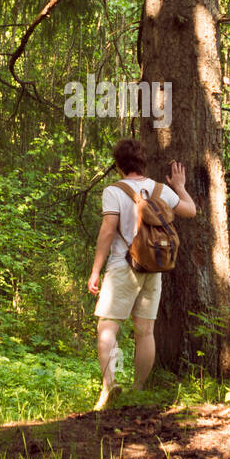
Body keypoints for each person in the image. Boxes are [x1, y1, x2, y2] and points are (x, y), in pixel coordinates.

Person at [88, 139, 196, 410]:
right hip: (154, 266)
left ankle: (108, 388)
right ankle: (138, 389)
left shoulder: (114, 191)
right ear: (143, 161)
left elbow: (107, 231)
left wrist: (95, 270)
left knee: (107, 327)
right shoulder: (160, 189)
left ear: (119, 164)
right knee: (145, 331)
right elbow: (190, 211)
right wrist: (180, 187)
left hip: (123, 266)